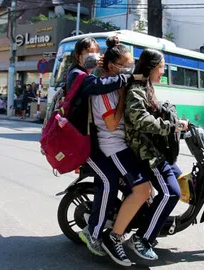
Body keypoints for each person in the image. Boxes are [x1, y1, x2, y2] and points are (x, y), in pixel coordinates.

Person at [63, 37, 139, 259]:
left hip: (93, 140)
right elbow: (99, 85)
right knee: (109, 180)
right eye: (89, 52)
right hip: (83, 142)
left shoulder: (87, 74)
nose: (94, 55)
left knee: (111, 179)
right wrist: (125, 76)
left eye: (97, 52)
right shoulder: (79, 77)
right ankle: (93, 232)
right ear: (78, 55)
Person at [89, 36, 152, 266]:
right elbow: (113, 125)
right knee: (143, 190)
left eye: (131, 63)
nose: (129, 68)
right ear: (113, 66)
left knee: (146, 186)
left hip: (123, 144)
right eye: (125, 64)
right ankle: (113, 237)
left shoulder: (117, 84)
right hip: (113, 146)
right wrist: (124, 93)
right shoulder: (105, 90)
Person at [125, 48, 188, 260]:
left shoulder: (146, 87)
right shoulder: (136, 89)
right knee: (171, 193)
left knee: (179, 177)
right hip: (144, 152)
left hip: (154, 148)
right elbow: (141, 120)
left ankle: (154, 219)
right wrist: (171, 126)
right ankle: (142, 238)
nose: (163, 72)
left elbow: (156, 110)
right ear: (151, 67)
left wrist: (176, 120)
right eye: (161, 67)